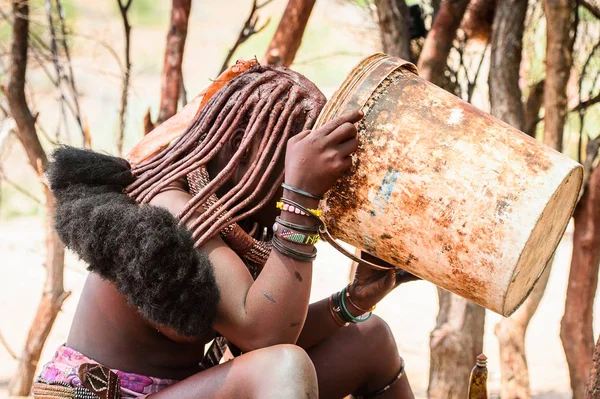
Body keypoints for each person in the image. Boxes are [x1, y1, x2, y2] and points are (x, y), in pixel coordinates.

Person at [35, 63, 416, 399]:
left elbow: (252, 340)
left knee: (370, 338)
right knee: (282, 368)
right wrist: (301, 195)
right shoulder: (171, 209)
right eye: (293, 157)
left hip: (178, 388)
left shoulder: (230, 222)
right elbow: (264, 337)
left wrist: (354, 300)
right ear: (240, 147)